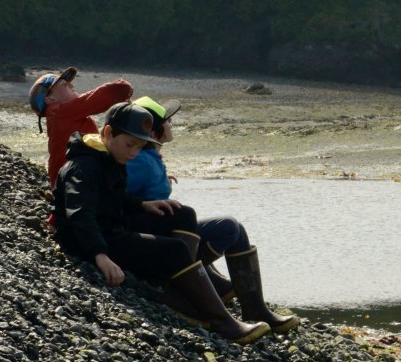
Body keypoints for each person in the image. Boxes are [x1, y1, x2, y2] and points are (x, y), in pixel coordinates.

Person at [52, 101, 271, 344]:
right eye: (130, 144)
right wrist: (100, 255)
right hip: (93, 242)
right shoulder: (83, 167)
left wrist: (141, 205)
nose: (134, 152)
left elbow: (111, 199)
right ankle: (222, 322)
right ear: (107, 132)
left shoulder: (110, 156)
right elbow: (80, 213)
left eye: (140, 146)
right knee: (175, 249)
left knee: (182, 213)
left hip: (110, 229)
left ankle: (178, 286)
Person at [126, 96, 300, 334]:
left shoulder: (150, 157)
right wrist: (143, 203)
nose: (172, 126)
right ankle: (191, 284)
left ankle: (248, 304)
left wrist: (161, 182)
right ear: (153, 130)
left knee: (236, 229)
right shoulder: (140, 161)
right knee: (228, 226)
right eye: (168, 122)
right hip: (157, 238)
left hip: (164, 230)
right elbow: (117, 192)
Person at [28, 66, 132, 189]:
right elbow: (97, 98)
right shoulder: (60, 112)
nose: (72, 86)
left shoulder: (60, 116)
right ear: (50, 99)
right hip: (73, 183)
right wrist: (123, 88)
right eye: (64, 85)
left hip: (70, 180)